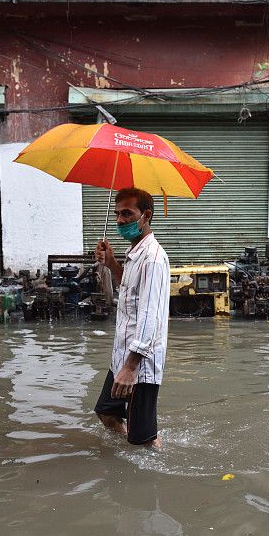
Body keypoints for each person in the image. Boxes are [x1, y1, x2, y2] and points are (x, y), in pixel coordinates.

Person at [93, 188, 170, 448]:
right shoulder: (134, 252)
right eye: (117, 214)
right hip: (122, 357)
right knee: (106, 412)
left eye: (127, 213)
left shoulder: (153, 259)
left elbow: (151, 314)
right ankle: (131, 442)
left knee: (143, 442)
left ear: (145, 215)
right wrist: (112, 263)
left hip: (140, 364)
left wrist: (130, 367)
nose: (119, 220)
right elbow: (128, 289)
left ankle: (153, 465)